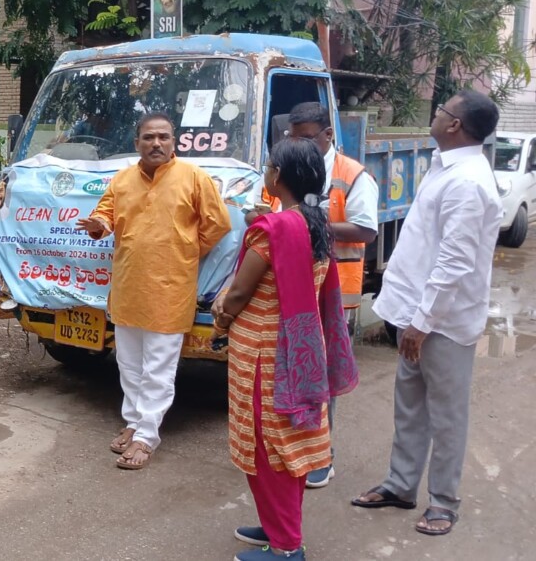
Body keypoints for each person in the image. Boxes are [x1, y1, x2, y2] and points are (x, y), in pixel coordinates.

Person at [352, 90, 503, 537]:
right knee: (410, 407)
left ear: (455, 125)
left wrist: (422, 322)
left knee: (446, 414)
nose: (435, 116)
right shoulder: (446, 168)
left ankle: (443, 503)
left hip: (443, 322)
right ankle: (400, 484)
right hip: (415, 311)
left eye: (441, 111)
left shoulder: (468, 182)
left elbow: (455, 262)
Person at [215, 138, 359, 561]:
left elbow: (240, 292)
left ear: (277, 176)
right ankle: (278, 524)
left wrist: (220, 318)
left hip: (264, 354)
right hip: (297, 350)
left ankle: (285, 548)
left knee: (268, 446)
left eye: (269, 166)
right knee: (287, 444)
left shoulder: (273, 231)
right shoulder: (315, 222)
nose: (266, 171)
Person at [76, 113, 230, 469]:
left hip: (170, 288)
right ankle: (134, 422)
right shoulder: (123, 179)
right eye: (148, 137)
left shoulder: (194, 178)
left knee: (158, 368)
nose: (156, 143)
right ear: (137, 143)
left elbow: (218, 224)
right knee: (129, 364)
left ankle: (147, 435)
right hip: (129, 285)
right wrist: (98, 225)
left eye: (163, 137)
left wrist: (187, 249)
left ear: (174, 141)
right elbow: (105, 214)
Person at [269, 102, 380, 488]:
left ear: (327, 134)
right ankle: (294, 448)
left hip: (333, 293)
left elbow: (366, 230)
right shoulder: (285, 167)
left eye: (305, 136)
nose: (297, 141)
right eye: (292, 135)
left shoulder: (351, 174)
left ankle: (321, 457)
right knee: (291, 374)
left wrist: (306, 224)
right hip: (288, 294)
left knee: (321, 376)